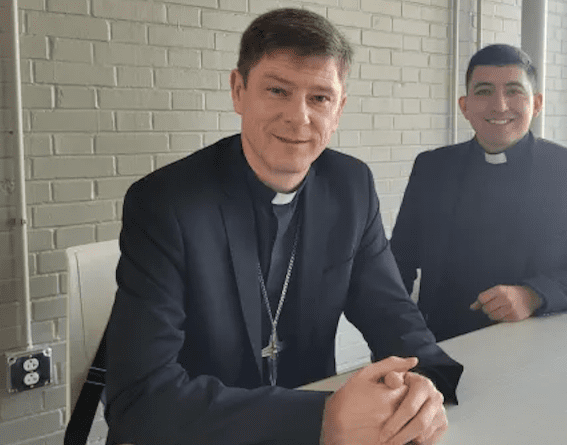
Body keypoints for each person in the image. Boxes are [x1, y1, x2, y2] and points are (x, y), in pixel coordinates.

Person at [104, 8, 462, 445]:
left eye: (320, 98)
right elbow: (139, 401)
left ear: (339, 108)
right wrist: (323, 418)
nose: (299, 117)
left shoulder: (351, 186)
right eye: (277, 90)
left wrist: (424, 382)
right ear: (239, 91)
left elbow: (391, 312)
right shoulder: (166, 204)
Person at [390, 44, 567, 342]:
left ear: (536, 104)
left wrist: (533, 295)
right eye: (484, 91)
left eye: (514, 91)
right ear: (465, 106)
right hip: (444, 341)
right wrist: (395, 336)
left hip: (543, 342)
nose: (499, 105)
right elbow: (399, 261)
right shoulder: (433, 167)